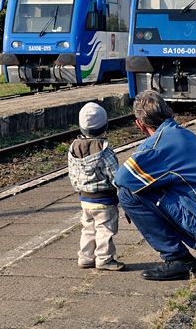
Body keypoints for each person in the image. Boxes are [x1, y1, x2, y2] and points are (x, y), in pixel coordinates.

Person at [115, 90, 196, 281]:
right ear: (170, 111)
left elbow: (122, 178)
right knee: (160, 185)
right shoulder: (186, 135)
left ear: (139, 124)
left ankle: (177, 259)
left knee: (128, 194)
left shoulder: (156, 145)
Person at [68, 102, 124, 271]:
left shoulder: (73, 148)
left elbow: (72, 173)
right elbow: (116, 175)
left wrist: (79, 189)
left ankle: (85, 257)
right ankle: (104, 259)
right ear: (105, 128)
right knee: (105, 229)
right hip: (105, 199)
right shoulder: (105, 151)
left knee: (88, 228)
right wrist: (123, 192)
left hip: (85, 198)